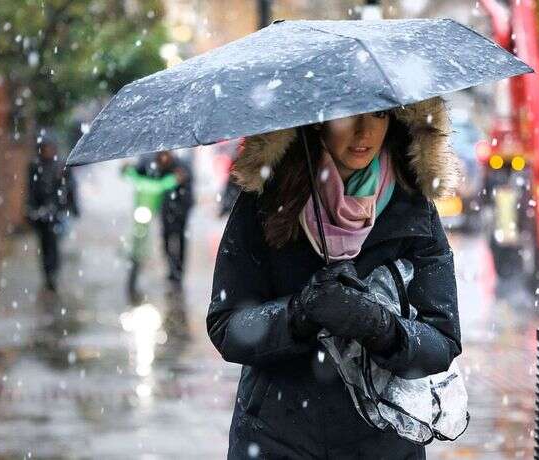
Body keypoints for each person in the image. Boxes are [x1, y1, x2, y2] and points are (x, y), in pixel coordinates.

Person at [207, 97, 462, 459]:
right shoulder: (266, 201)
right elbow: (227, 326)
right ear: (316, 120)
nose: (364, 131)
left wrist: (380, 326)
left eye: (378, 113)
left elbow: (442, 343)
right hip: (277, 439)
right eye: (346, 113)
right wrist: (298, 314)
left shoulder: (412, 206)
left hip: (384, 443)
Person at [26, 131, 80, 292]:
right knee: (44, 245)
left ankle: (53, 273)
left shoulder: (61, 166)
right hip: (41, 214)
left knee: (54, 243)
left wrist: (71, 206)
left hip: (57, 212)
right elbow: (31, 189)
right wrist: (31, 209)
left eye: (49, 147)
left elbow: (70, 188)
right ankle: (48, 273)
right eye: (44, 148)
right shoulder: (35, 166)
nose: (47, 151)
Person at [135, 151, 194, 290]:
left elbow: (189, 187)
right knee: (166, 239)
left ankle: (178, 271)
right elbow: (143, 173)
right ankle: (172, 269)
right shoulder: (156, 165)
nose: (163, 158)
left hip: (181, 210)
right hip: (165, 210)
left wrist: (182, 179)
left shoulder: (182, 165)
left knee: (180, 239)